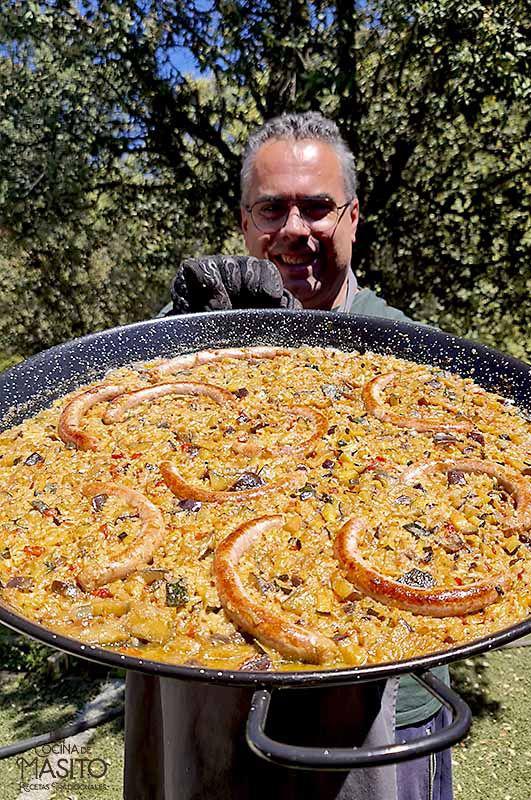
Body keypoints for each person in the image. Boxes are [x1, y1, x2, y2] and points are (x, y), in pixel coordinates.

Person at [126, 112, 452, 800]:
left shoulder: (410, 351)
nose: (295, 229)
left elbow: (439, 511)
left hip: (371, 699)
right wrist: (181, 331)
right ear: (245, 223)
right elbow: (121, 457)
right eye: (272, 208)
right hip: (201, 683)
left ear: (353, 217)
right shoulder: (196, 334)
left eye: (318, 208)